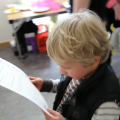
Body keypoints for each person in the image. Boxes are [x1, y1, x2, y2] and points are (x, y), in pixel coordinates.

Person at [29, 9, 120, 120]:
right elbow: (67, 86)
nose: (61, 71)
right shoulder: (82, 71)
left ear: (94, 61)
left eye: (66, 67)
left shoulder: (107, 103)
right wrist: (45, 84)